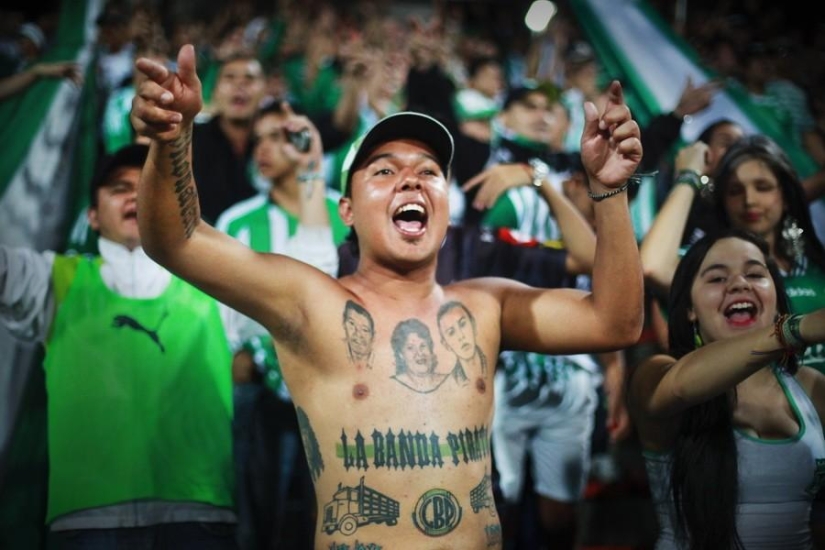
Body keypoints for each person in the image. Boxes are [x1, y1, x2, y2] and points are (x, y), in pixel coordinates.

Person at [129, 43, 643, 549]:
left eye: (429, 172)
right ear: (346, 210)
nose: (411, 181)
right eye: (384, 170)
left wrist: (610, 191)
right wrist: (173, 140)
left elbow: (614, 323)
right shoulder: (312, 304)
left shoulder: (486, 306)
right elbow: (177, 239)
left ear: (447, 209)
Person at [0, 143, 237, 548]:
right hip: (86, 518)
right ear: (91, 215)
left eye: (146, 186)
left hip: (198, 513)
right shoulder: (51, 280)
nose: (134, 195)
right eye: (118, 188)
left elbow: (304, 296)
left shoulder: (216, 283)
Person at [627, 228, 825, 549]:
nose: (739, 283)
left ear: (775, 297)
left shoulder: (811, 386)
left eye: (755, 274)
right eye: (717, 278)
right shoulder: (655, 373)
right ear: (690, 309)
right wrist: (791, 331)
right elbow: (678, 389)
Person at [214, 99, 348, 550]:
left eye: (278, 137)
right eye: (258, 140)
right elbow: (226, 317)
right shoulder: (237, 221)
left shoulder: (348, 212)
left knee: (337, 514)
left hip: (343, 390)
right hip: (265, 394)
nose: (263, 149)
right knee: (264, 520)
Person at [641, 134, 825, 372]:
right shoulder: (706, 266)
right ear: (723, 202)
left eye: (763, 187)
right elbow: (652, 266)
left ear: (787, 197)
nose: (749, 200)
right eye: (735, 191)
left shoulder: (816, 263)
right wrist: (689, 175)